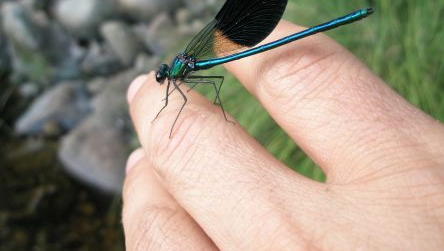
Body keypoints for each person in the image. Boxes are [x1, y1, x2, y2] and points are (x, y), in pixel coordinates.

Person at [122, 20, 444, 250]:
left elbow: (205, 86)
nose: (165, 77)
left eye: (165, 76)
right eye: (165, 76)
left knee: (212, 85)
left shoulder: (180, 70)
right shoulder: (178, 70)